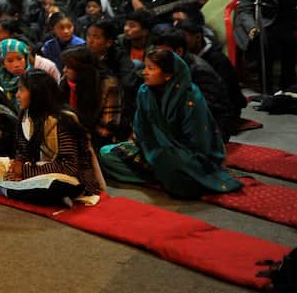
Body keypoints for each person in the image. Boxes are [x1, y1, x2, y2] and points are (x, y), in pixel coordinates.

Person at [99, 48, 242, 199]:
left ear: (167, 75)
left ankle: (168, 173)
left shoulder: (189, 96)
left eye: (151, 68)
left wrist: (166, 149)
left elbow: (198, 141)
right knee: (106, 153)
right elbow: (141, 127)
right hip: (152, 150)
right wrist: (146, 145)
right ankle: (163, 174)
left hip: (184, 153)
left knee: (170, 162)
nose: (144, 72)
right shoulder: (144, 92)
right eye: (145, 67)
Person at [0, 69, 104, 205]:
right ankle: (26, 191)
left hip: (67, 178)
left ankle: (3, 189)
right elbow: (22, 152)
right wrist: (16, 167)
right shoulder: (25, 116)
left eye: (22, 90)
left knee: (55, 186)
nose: (17, 95)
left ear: (37, 93)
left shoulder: (64, 120)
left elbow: (69, 167)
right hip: (35, 172)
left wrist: (24, 171)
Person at [234, 0, 297, 92]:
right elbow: (244, 10)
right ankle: (267, 89)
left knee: (291, 42)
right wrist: (251, 27)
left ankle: (288, 88)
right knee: (266, 43)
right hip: (260, 25)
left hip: (285, 24)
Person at [58, 46, 123, 148]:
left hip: (97, 139)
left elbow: (107, 128)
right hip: (72, 133)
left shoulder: (108, 85)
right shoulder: (65, 81)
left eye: (69, 67)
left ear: (81, 69)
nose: (64, 70)